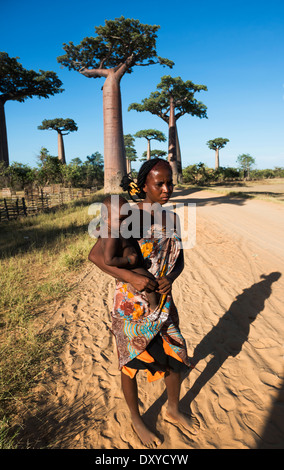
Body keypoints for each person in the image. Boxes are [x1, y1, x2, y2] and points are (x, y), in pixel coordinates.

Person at [88, 158, 198, 447]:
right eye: (159, 183)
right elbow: (97, 257)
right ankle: (137, 420)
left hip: (163, 302)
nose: (166, 189)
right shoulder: (127, 216)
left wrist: (170, 277)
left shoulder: (171, 219)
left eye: (169, 182)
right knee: (130, 364)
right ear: (144, 186)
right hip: (131, 307)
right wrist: (132, 277)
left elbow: (180, 260)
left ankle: (173, 409)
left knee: (176, 355)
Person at [99, 194, 160, 311]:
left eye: (128, 218)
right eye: (121, 219)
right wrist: (129, 260)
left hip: (133, 264)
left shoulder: (119, 230)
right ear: (106, 218)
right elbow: (108, 260)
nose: (126, 222)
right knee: (149, 280)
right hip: (129, 268)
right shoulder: (112, 236)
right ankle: (154, 307)